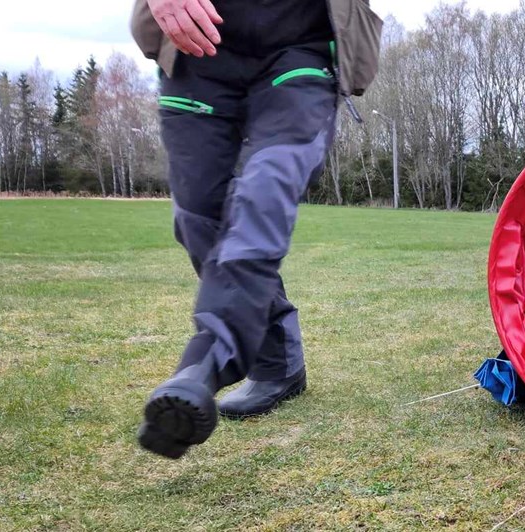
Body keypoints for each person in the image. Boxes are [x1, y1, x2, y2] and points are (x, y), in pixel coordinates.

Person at [129, 0, 381, 459]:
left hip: (299, 50)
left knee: (264, 192)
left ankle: (204, 365)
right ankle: (278, 360)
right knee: (199, 219)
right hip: (196, 46)